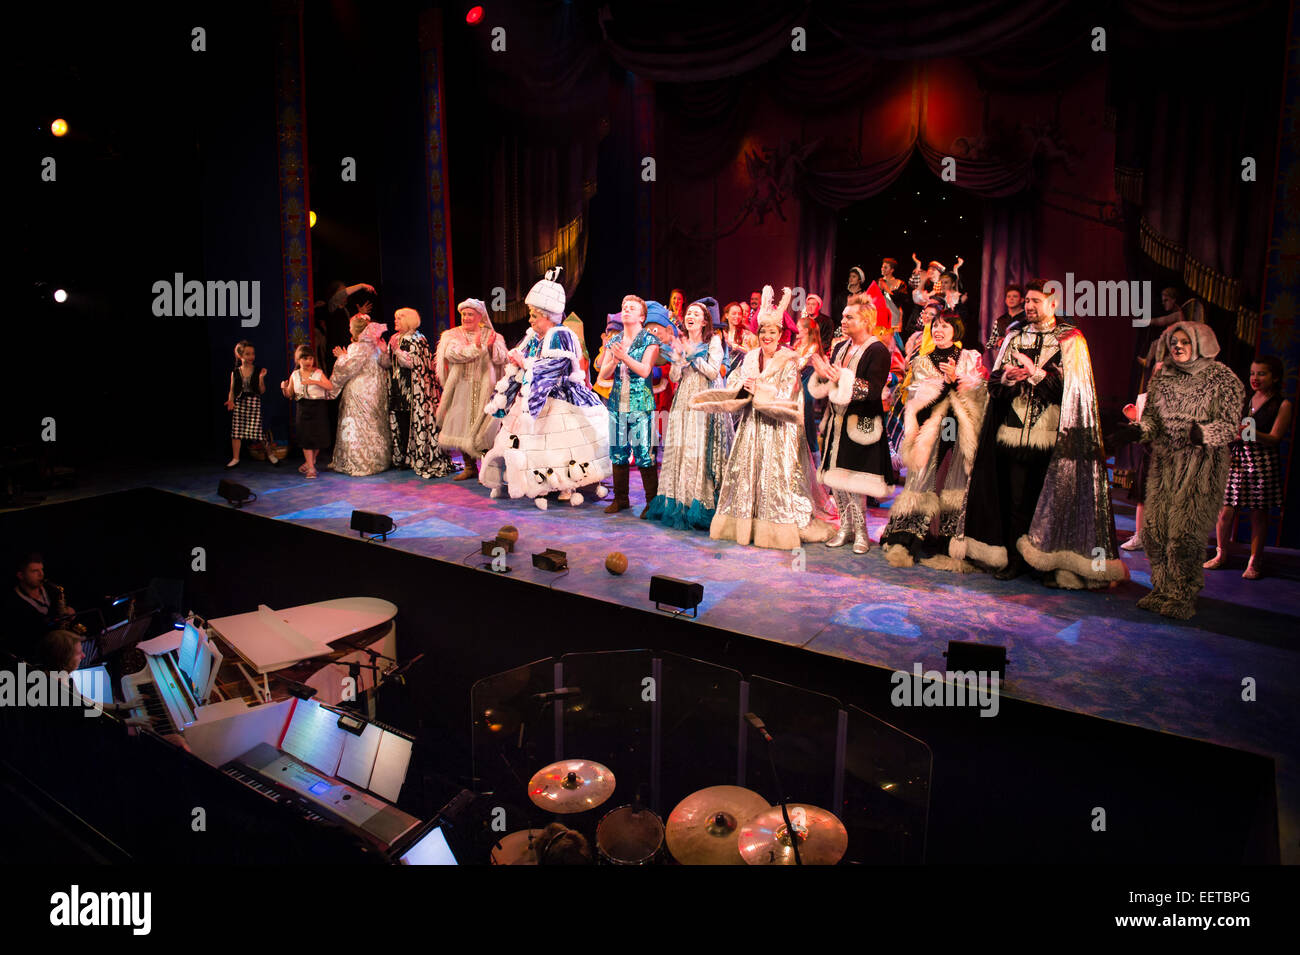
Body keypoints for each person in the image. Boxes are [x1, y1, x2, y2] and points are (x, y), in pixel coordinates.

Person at [954, 279, 1125, 589]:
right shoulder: (1014, 336)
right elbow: (994, 384)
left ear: (1052, 302)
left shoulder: (1070, 340)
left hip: (1052, 437)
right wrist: (1006, 377)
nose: (1029, 306)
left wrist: (1038, 374)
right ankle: (1015, 559)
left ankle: (1047, 561)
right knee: (1014, 499)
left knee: (1048, 499)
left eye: (1035, 301)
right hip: (1012, 433)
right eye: (1027, 301)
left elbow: (1076, 391)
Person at [1112, 323, 1242, 618]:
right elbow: (1154, 423)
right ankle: (1161, 590)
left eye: (1185, 341)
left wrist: (1203, 433)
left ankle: (1182, 595)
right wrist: (1135, 431)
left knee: (1185, 536)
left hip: (1200, 468)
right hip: (1165, 465)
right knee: (1155, 532)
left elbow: (1229, 426)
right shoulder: (1163, 380)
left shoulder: (1222, 379)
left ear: (1201, 344)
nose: (1178, 347)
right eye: (1173, 342)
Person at [693, 286, 835, 549]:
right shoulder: (749, 358)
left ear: (780, 334)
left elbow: (790, 395)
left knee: (774, 477)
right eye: (763, 332)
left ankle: (774, 529)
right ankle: (745, 524)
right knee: (747, 474)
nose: (767, 336)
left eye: (772, 332)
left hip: (776, 429)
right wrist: (742, 386)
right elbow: (734, 382)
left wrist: (762, 391)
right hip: (750, 428)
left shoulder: (788, 361)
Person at [479, 267, 611, 510]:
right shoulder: (534, 336)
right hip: (534, 396)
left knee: (560, 445)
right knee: (530, 441)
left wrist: (524, 363)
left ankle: (565, 485)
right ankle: (536, 483)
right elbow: (526, 363)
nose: (530, 320)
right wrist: (517, 363)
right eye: (531, 315)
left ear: (549, 316)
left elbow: (551, 368)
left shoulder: (561, 335)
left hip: (559, 397)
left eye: (535, 315)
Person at [881, 310, 987, 567]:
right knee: (922, 479)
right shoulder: (922, 361)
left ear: (955, 330)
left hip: (958, 426)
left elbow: (980, 395)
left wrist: (957, 381)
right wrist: (941, 387)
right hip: (932, 426)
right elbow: (917, 401)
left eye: (945, 326)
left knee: (954, 478)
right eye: (935, 326)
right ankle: (912, 534)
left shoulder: (969, 358)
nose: (938, 331)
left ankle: (948, 537)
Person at [808, 293, 897, 554]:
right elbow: (833, 383)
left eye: (850, 316)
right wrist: (825, 377)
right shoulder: (840, 347)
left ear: (866, 320)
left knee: (856, 478)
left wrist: (842, 378)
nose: (843, 320)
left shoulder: (877, 350)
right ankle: (845, 528)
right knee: (837, 477)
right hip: (837, 420)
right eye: (843, 316)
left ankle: (861, 532)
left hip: (863, 421)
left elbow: (874, 390)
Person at [645, 297, 734, 530]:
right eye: (689, 313)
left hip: (704, 399)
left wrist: (693, 356)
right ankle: (680, 501)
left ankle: (699, 503)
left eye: (696, 313)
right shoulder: (681, 342)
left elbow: (714, 372)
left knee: (698, 449)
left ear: (705, 321)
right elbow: (674, 378)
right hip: (684, 399)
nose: (691, 316)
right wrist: (678, 359)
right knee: (681, 448)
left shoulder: (714, 340)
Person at [1207, 354, 1293, 579]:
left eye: (1262, 374)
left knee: (1258, 513)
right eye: (1253, 373)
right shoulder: (1245, 399)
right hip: (1237, 458)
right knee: (1225, 510)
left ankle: (1254, 561)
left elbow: (1275, 438)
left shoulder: (1282, 404)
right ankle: (1221, 554)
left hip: (1262, 461)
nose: (1255, 378)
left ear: (1275, 377)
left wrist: (1251, 433)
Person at [596, 296, 661, 514]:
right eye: (624, 307)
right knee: (618, 451)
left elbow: (644, 370)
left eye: (631, 308)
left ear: (641, 317)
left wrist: (624, 356)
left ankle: (652, 503)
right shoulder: (614, 341)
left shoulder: (649, 340)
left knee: (644, 453)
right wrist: (614, 359)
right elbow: (602, 374)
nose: (626, 310)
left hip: (640, 403)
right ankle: (621, 499)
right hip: (616, 403)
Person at [435, 298, 509, 481]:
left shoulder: (492, 335)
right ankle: (469, 467)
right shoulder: (451, 335)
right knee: (461, 426)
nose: (466, 318)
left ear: (479, 316)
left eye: (470, 314)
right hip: (461, 387)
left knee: (484, 428)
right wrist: (476, 347)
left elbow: (502, 359)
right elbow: (453, 354)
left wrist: (490, 347)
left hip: (486, 389)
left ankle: (487, 468)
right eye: (463, 314)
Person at [387, 308, 457, 479]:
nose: (395, 321)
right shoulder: (395, 338)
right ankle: (404, 457)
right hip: (398, 388)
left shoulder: (418, 339)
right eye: (395, 318)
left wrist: (397, 351)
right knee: (401, 421)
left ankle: (418, 456)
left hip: (415, 390)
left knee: (413, 421)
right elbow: (388, 362)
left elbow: (414, 364)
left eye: (399, 318)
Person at [329, 315, 392, 476]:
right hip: (376, 390)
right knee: (374, 425)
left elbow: (348, 368)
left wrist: (341, 357)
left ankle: (358, 462)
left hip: (359, 390)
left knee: (356, 425)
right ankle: (378, 460)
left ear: (356, 330)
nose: (349, 329)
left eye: (350, 326)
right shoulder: (377, 346)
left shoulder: (356, 347)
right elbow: (386, 364)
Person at [2, 553, 72, 661]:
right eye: (35, 571)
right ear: (21, 575)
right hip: (35, 658)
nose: (41, 574)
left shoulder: (52, 591)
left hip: (60, 652)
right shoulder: (11, 603)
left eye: (41, 569)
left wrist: (68, 613)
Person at [280, 344, 334, 479]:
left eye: (310, 359)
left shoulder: (318, 373)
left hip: (318, 407)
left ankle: (311, 461)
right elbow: (290, 394)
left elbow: (330, 386)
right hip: (303, 407)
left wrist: (315, 382)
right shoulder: (295, 375)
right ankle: (311, 468)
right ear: (298, 360)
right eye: (305, 359)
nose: (308, 362)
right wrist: (283, 388)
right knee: (306, 438)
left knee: (318, 438)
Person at [224, 341, 280, 468]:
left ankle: (270, 455)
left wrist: (261, 378)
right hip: (240, 403)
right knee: (236, 432)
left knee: (259, 432)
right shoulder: (236, 372)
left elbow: (261, 391)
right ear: (240, 355)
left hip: (253, 402)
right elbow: (232, 389)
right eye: (247, 354)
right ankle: (235, 458)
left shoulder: (258, 370)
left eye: (252, 354)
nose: (251, 357)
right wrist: (231, 401)